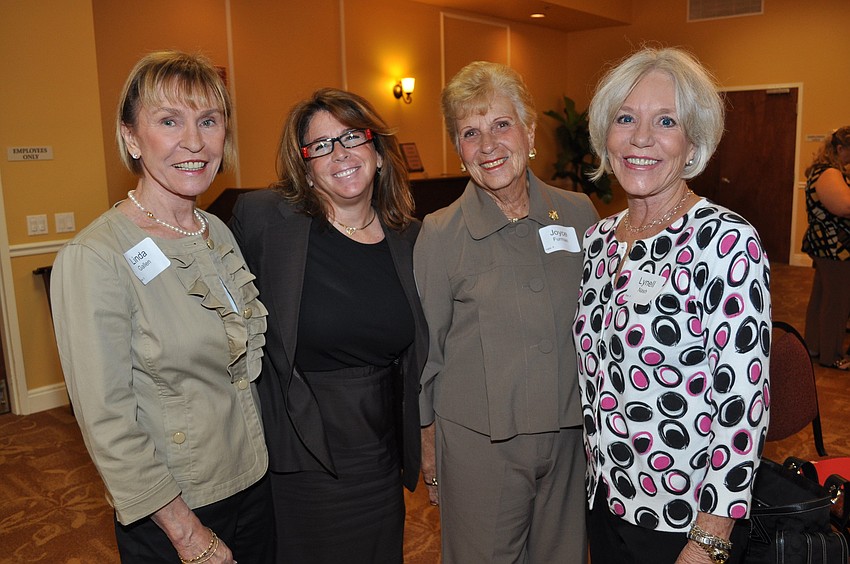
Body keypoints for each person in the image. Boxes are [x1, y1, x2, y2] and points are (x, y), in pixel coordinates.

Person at [51, 51, 273, 563]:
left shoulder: (216, 230)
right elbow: (107, 421)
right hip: (176, 511)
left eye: (208, 121)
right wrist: (187, 534)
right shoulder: (95, 256)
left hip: (252, 482)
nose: (193, 142)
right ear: (131, 137)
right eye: (169, 121)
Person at [575, 46, 771, 564]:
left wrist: (708, 540)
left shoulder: (725, 242)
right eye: (625, 118)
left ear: (693, 144)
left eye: (666, 121)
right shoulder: (598, 240)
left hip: (684, 522)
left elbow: (742, 409)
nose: (641, 138)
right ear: (605, 135)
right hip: (605, 501)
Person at [229, 88, 428, 563]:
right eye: (320, 145)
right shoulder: (263, 222)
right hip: (300, 451)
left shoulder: (412, 238)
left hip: (379, 453)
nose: (339, 154)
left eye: (352, 137)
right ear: (306, 166)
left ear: (377, 151)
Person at [414, 61, 599, 563]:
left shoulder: (580, 214)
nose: (488, 144)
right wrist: (429, 450)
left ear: (530, 131)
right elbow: (426, 355)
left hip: (569, 438)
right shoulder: (439, 233)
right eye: (470, 132)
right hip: (479, 449)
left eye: (501, 124)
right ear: (458, 148)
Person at [802, 126, 850, 370]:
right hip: (835, 246)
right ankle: (832, 355)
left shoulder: (824, 171)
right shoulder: (829, 172)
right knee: (837, 301)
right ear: (840, 149)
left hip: (827, 245)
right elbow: (845, 207)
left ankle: (814, 346)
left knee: (822, 297)